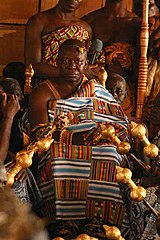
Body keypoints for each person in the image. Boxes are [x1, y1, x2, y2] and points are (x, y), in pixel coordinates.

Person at [26, 39, 147, 240]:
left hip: (96, 142)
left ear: (85, 64)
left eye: (78, 62)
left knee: (109, 154)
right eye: (66, 61)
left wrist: (103, 132)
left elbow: (118, 123)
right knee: (56, 158)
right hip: (57, 145)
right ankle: (64, 221)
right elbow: (38, 134)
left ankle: (97, 219)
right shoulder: (43, 91)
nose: (72, 67)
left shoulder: (97, 89)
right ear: (57, 62)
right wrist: (73, 137)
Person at [82, 0, 141, 119]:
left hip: (125, 92)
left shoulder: (137, 24)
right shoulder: (89, 21)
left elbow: (138, 68)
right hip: (94, 89)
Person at [24, 0, 92, 80]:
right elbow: (33, 66)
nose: (74, 0)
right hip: (47, 83)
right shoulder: (38, 22)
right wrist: (72, 72)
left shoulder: (85, 28)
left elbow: (87, 64)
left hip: (78, 84)